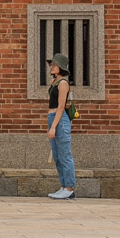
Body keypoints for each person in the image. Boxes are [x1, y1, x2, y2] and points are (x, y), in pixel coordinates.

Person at [46, 53, 76, 200]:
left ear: (61, 67)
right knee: (57, 156)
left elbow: (61, 107)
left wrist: (53, 127)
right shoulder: (55, 82)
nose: (51, 66)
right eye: (51, 64)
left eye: (54, 64)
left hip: (59, 119)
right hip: (52, 118)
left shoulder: (63, 83)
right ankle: (63, 186)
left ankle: (69, 188)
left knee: (65, 154)